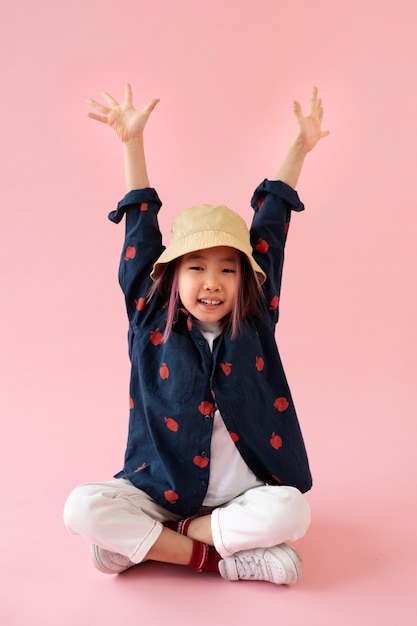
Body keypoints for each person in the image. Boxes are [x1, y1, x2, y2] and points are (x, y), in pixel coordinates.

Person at [64, 84, 329, 585]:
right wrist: (132, 144)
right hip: (158, 489)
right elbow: (140, 231)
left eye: (228, 269)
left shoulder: (256, 317)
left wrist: (299, 146)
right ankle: (217, 557)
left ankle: (156, 542)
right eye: (197, 267)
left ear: (245, 278)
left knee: (292, 512)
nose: (212, 281)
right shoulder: (149, 316)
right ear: (171, 275)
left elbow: (271, 227)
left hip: (243, 493)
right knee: (80, 507)